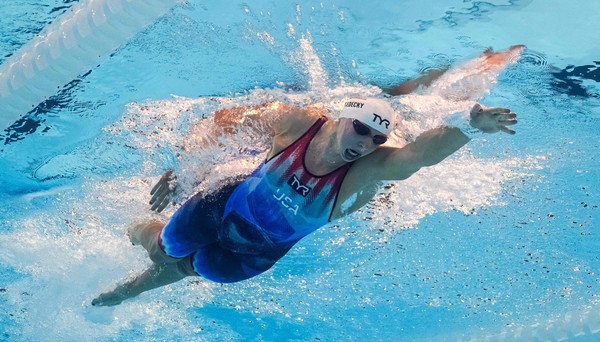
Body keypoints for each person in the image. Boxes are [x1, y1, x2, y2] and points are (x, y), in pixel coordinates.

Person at [92, 45, 522, 306]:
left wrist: (469, 128)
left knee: (202, 267)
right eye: (359, 129)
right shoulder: (298, 123)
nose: (365, 143)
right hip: (226, 201)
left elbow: (419, 156)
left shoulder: (367, 171)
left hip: (261, 249)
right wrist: (182, 172)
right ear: (339, 118)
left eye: (376, 138)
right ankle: (131, 228)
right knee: (167, 244)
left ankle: (130, 289)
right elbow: (224, 123)